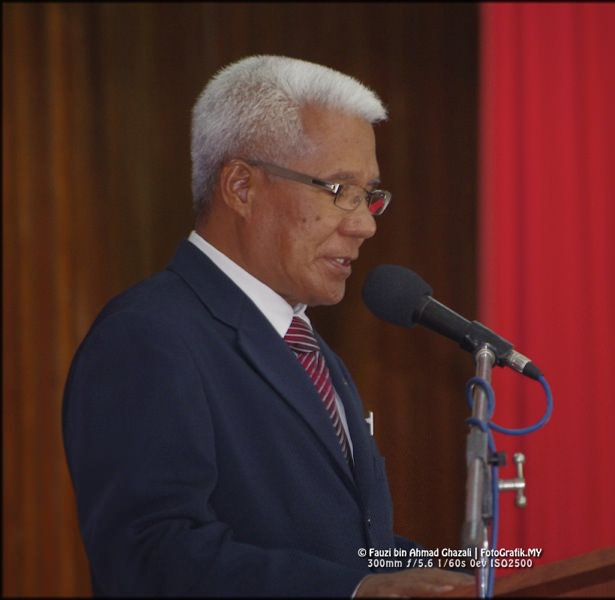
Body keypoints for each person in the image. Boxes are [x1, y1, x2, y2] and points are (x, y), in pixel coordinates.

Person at [62, 54, 474, 597]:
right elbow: (150, 555)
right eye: (340, 191)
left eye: (370, 196)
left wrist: (468, 581)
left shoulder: (308, 348)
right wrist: (353, 591)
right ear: (240, 187)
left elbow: (348, 546)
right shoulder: (148, 337)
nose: (364, 225)